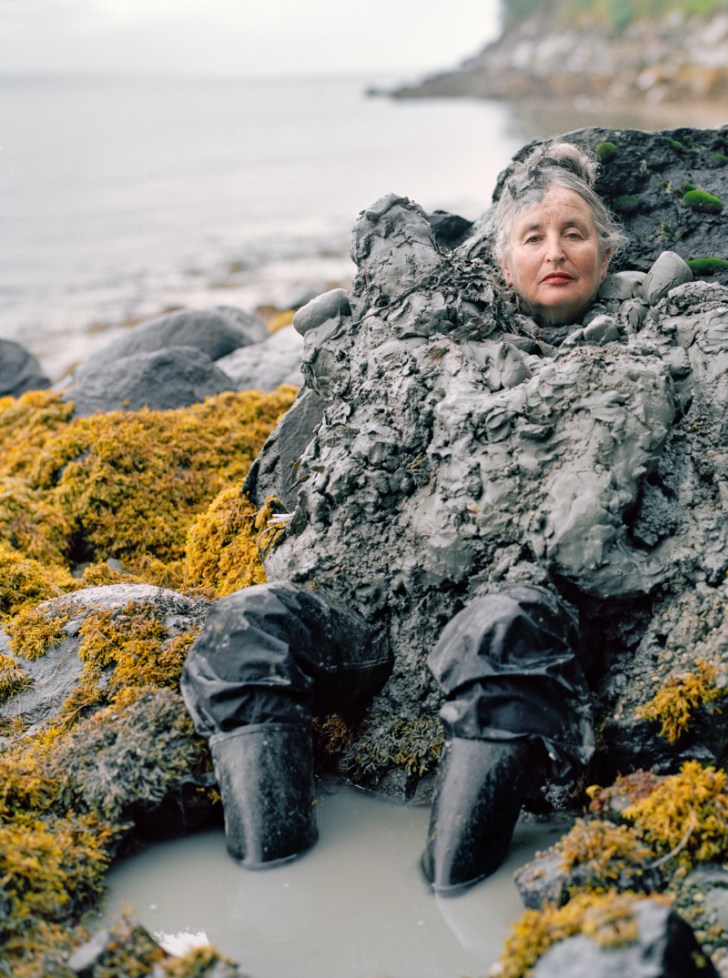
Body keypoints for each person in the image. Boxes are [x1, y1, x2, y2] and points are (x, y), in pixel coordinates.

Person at [180, 143, 631, 890]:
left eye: (575, 234)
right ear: (500, 256)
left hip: (516, 614)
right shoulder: (429, 333)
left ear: (605, 253)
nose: (556, 251)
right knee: (246, 630)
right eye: (534, 236)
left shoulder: (649, 341)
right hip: (380, 614)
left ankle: (449, 895)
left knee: (504, 634)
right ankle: (270, 886)